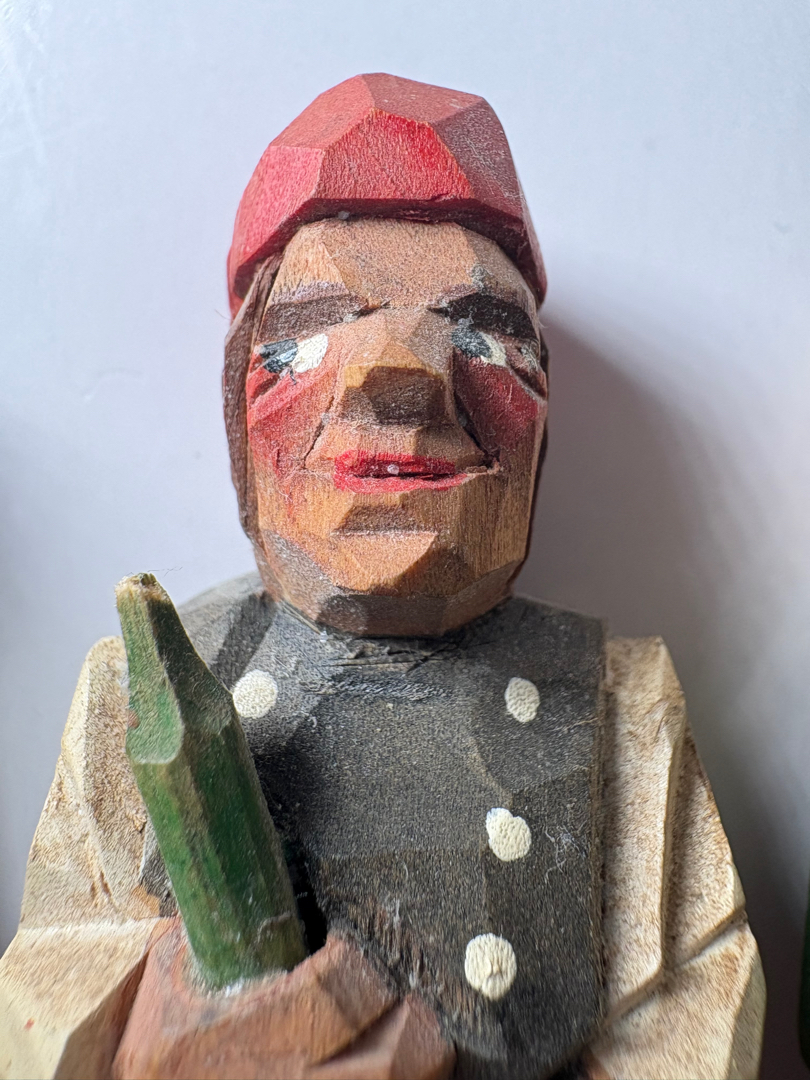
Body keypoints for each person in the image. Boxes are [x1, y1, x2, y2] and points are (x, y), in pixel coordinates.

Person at [0, 74, 765, 1080]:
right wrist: (152, 1035)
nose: (397, 373)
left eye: (482, 334)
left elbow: (697, 1017)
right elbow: (45, 984)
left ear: (544, 423)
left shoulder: (623, 702)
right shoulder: (138, 690)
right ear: (237, 415)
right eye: (311, 333)